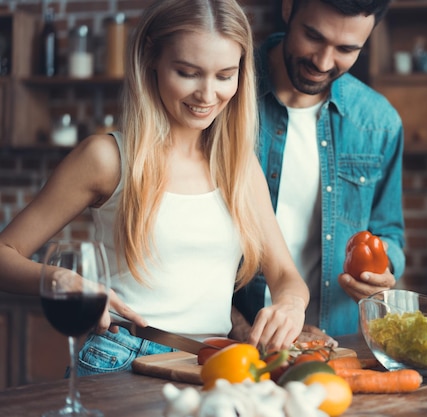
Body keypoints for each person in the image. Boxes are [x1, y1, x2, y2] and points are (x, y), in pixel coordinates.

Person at [0, 0, 309, 375]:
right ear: (151, 59)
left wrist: (291, 305)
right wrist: (60, 278)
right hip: (123, 359)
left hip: (213, 366)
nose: (207, 95)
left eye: (225, 75)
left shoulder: (239, 166)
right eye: (188, 72)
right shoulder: (107, 158)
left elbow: (285, 277)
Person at [233, 0, 405, 340]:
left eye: (346, 49)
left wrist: (384, 272)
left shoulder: (379, 124)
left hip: (334, 345)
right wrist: (236, 324)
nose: (323, 62)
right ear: (287, 9)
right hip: (232, 340)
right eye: (313, 36)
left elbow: (390, 233)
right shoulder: (225, 91)